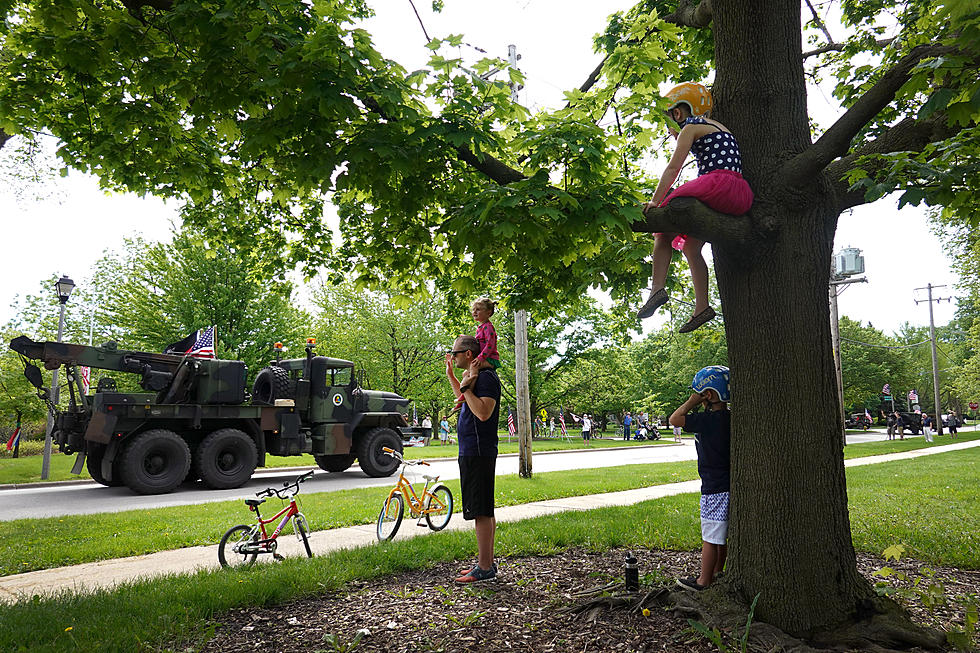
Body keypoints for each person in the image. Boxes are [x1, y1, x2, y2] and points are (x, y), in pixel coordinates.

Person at [638, 83, 754, 333]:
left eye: (667, 122)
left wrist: (655, 202)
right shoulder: (721, 128)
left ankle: (656, 288)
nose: (669, 131)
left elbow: (673, 169)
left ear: (678, 114)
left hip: (717, 185)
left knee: (662, 230)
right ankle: (702, 306)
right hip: (738, 193)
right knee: (691, 246)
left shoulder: (690, 127)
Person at [669, 365, 731, 591]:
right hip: (725, 482)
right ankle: (717, 573)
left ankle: (703, 581)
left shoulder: (708, 420)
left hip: (714, 486)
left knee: (710, 536)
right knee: (719, 535)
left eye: (700, 392)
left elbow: (675, 418)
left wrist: (693, 400)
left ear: (709, 394)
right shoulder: (728, 418)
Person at [445, 335, 501, 583]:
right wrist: (455, 380)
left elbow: (483, 412)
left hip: (478, 451)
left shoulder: (486, 378)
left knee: (480, 510)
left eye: (455, 352)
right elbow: (464, 399)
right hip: (472, 450)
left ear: (468, 354)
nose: (452, 356)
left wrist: (467, 386)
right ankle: (485, 563)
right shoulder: (474, 378)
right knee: (483, 510)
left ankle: (485, 568)